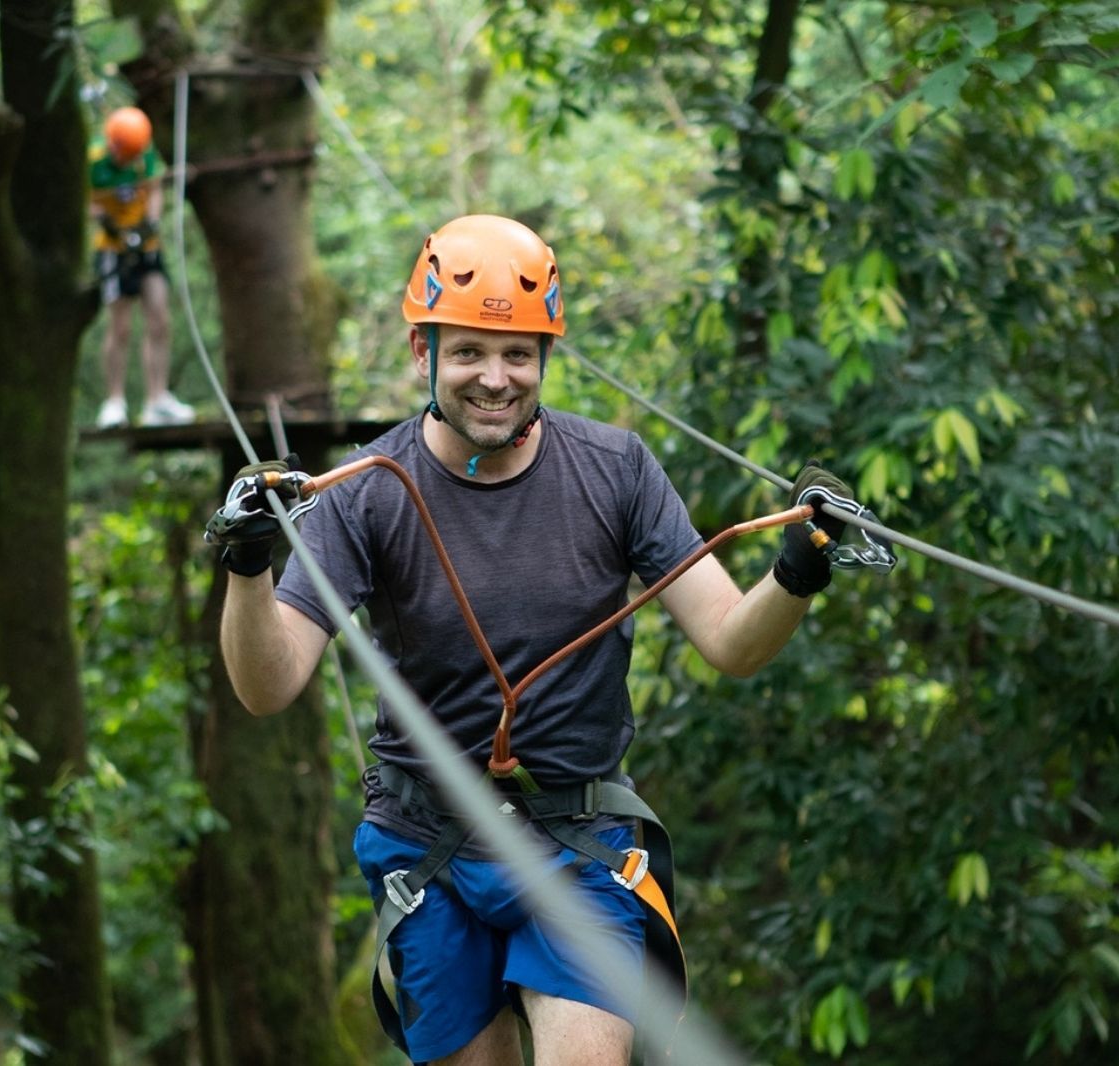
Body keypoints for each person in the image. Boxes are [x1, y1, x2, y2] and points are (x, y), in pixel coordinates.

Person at [211, 215, 871, 1065]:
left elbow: (732, 644)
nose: (496, 379)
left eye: (518, 353)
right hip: (430, 849)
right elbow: (267, 687)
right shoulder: (369, 491)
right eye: (468, 354)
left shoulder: (615, 471)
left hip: (577, 841)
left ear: (545, 357)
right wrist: (248, 565)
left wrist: (798, 571)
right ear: (423, 353)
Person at [89, 106, 193, 429]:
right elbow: (87, 202)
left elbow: (155, 187)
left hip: (146, 245)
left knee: (159, 318)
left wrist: (149, 224)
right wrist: (109, 224)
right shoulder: (94, 159)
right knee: (120, 325)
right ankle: (114, 401)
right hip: (112, 248)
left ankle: (156, 399)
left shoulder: (144, 154)